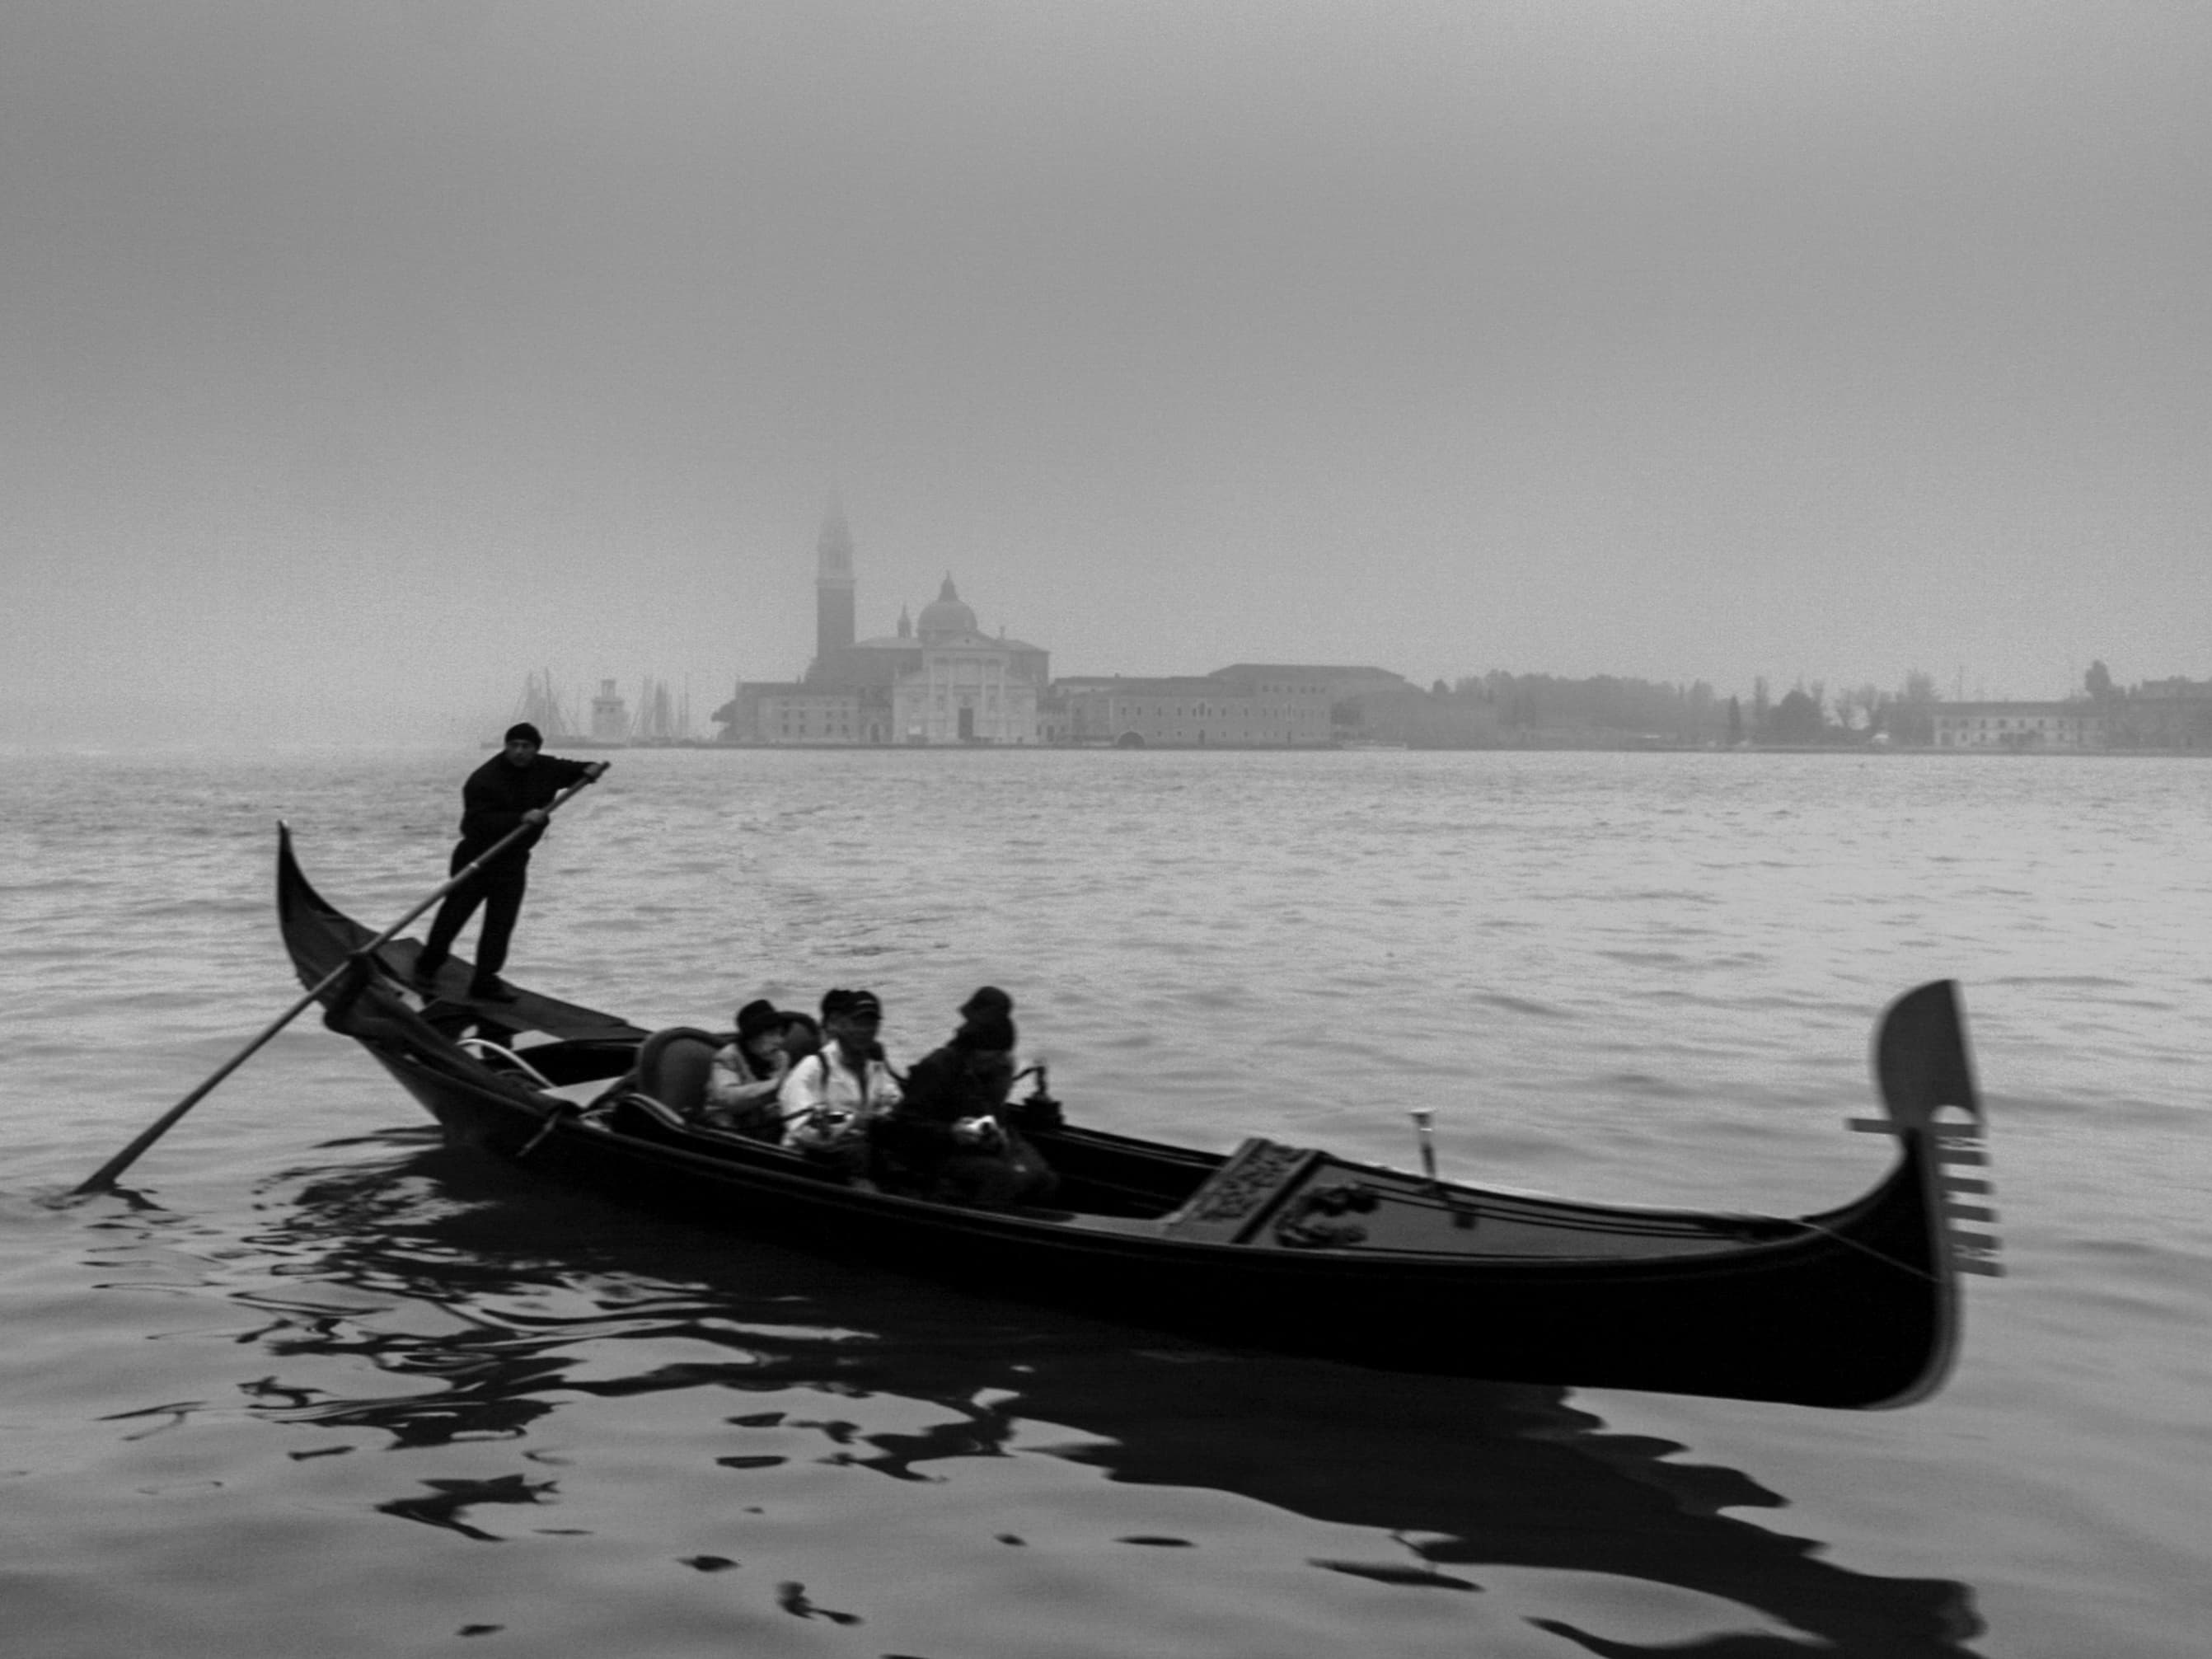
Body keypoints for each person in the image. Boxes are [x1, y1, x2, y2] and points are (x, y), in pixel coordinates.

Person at [413, 724, 608, 1001]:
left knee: (501, 923)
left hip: (513, 861)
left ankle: (485, 981)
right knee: (454, 915)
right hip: (478, 858)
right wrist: (519, 819)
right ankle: (427, 966)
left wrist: (589, 769)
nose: (519, 751)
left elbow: (575, 770)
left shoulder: (546, 768)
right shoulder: (483, 779)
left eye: (525, 746)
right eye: (513, 745)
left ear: (536, 749)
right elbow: (473, 823)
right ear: (505, 747)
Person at [876, 987, 1056, 1207]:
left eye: (1002, 1056)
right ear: (977, 1050)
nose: (998, 1061)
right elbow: (906, 1126)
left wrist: (1000, 1136)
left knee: (1043, 1176)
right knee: (1000, 1177)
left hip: (978, 1148)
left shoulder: (992, 1072)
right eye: (995, 1056)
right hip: (935, 1154)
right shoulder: (937, 1068)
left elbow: (997, 1115)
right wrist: (951, 1132)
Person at [777, 989, 902, 1174]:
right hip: (806, 1164)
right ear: (840, 1025)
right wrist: (851, 1122)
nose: (865, 1030)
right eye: (857, 1022)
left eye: (871, 1024)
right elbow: (802, 1130)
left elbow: (894, 1102)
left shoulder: (876, 1067)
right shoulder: (814, 1067)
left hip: (855, 1160)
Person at [702, 1000, 791, 1138]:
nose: (779, 1041)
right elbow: (728, 1098)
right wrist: (775, 1086)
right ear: (752, 1037)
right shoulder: (728, 1057)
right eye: (772, 1034)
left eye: (781, 1034)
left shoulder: (781, 1058)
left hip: (767, 1130)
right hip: (726, 1134)